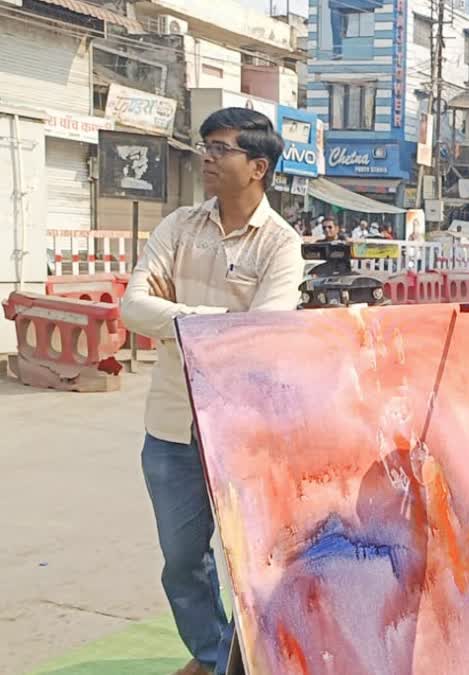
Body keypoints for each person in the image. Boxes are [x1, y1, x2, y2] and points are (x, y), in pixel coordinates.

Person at [121, 108, 303, 675]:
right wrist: (215, 317)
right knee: (182, 562)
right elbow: (132, 307)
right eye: (206, 147)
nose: (207, 157)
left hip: (246, 432)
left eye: (221, 149)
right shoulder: (179, 227)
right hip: (172, 427)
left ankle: (253, 660)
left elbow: (261, 336)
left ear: (258, 167)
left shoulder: (280, 244)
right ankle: (212, 652)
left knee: (254, 562)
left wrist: (178, 319)